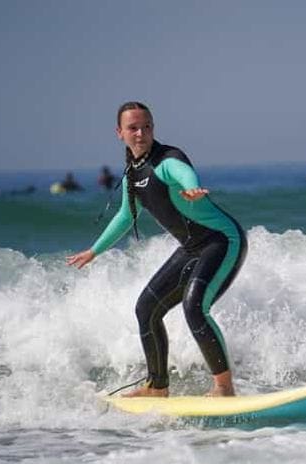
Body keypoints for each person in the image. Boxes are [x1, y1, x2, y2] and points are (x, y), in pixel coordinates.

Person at [66, 101, 247, 398]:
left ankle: (224, 387)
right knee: (146, 309)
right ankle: (157, 387)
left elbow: (183, 172)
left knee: (195, 309)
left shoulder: (167, 159)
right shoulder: (132, 175)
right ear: (119, 133)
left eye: (146, 126)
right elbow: (126, 216)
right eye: (133, 128)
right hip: (192, 247)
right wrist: (95, 251)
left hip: (221, 240)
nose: (141, 133)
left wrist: (192, 187)